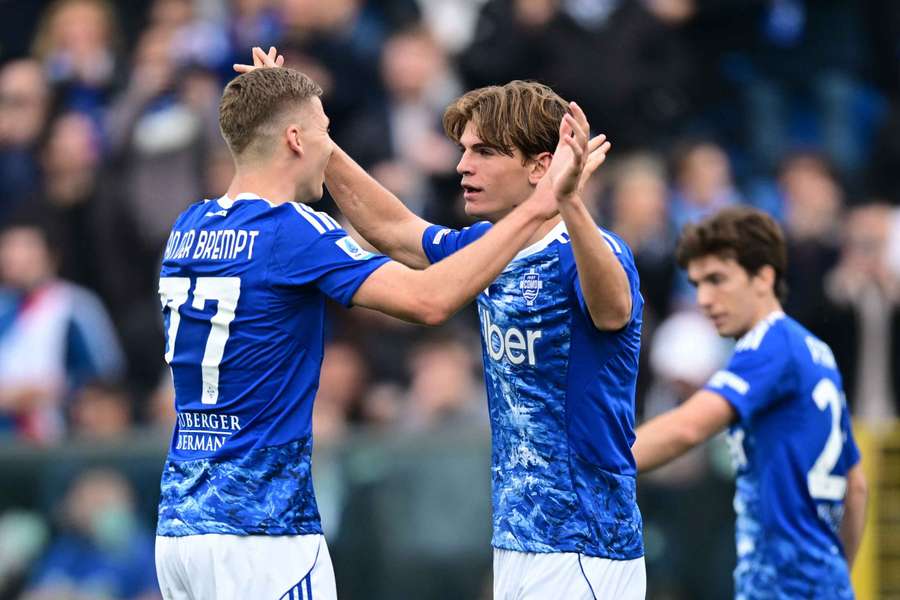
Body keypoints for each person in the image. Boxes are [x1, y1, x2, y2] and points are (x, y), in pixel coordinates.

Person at [154, 56, 600, 600]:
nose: (329, 145)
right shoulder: (295, 231)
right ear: (296, 139)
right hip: (261, 532)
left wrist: (280, 103)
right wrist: (537, 209)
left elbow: (395, 230)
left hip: (179, 526)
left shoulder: (189, 226)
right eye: (324, 132)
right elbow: (429, 300)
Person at [631, 207, 868, 598]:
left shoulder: (769, 344)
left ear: (764, 277)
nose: (704, 299)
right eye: (696, 284)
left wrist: (592, 466)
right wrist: (836, 578)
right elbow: (855, 486)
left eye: (717, 280)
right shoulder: (814, 350)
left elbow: (689, 426)